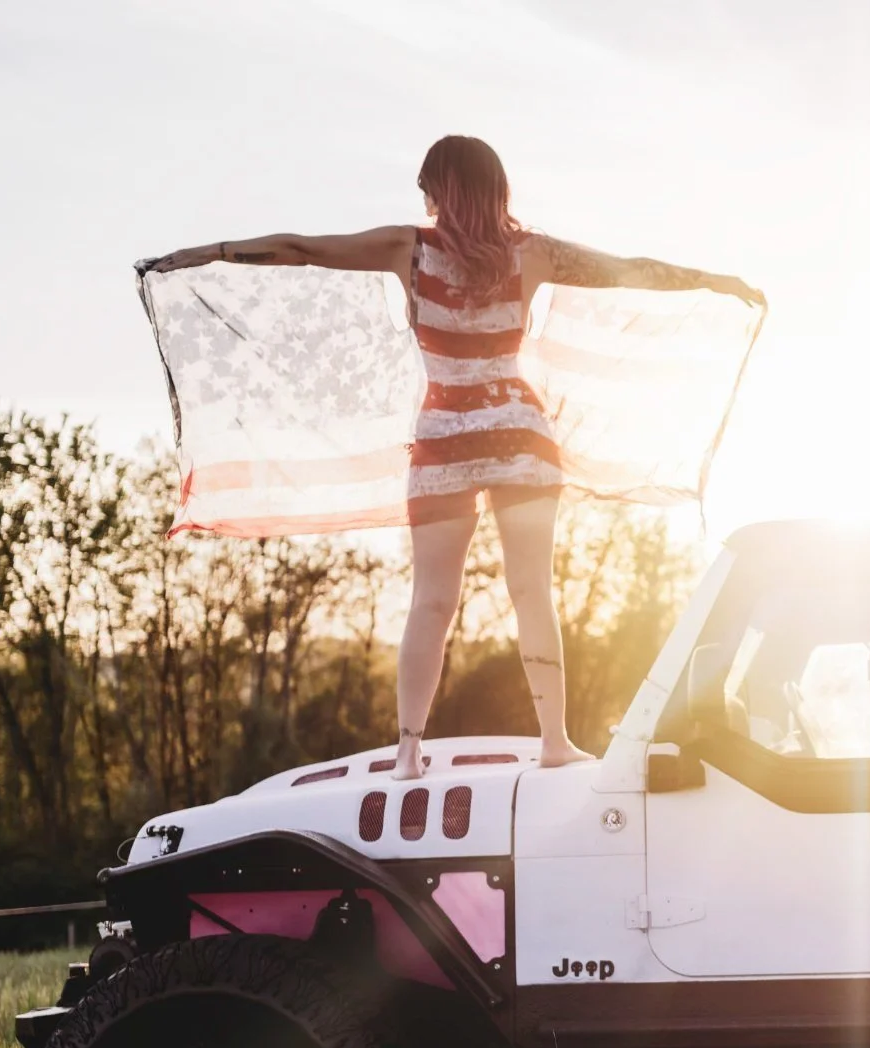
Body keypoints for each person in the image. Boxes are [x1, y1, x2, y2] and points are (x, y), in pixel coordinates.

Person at [148, 135, 761, 778]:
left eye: (427, 189)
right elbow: (629, 270)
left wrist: (210, 254)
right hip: (521, 437)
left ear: (442, 189)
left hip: (444, 440)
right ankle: (554, 740)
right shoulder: (536, 254)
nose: (425, 201)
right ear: (498, 190)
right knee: (533, 595)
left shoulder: (407, 248)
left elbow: (302, 250)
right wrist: (710, 281)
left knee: (431, 603)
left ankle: (410, 751)